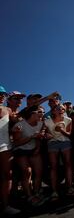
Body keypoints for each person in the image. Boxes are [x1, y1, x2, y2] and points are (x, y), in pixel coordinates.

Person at [11, 105, 45, 206]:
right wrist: (31, 137)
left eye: (43, 112)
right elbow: (16, 143)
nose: (42, 114)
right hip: (20, 150)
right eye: (39, 112)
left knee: (39, 171)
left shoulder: (41, 123)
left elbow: (39, 137)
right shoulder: (19, 125)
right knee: (27, 172)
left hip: (34, 149)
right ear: (32, 114)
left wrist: (38, 148)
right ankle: (29, 197)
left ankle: (37, 193)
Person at [44, 104, 74, 200]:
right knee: (53, 166)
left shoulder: (68, 120)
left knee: (68, 164)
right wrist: (46, 135)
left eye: (63, 109)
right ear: (53, 111)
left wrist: (62, 130)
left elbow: (69, 134)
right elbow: (45, 134)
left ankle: (70, 187)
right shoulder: (47, 121)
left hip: (65, 141)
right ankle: (54, 191)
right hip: (52, 143)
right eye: (58, 108)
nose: (61, 110)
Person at [0, 86, 21, 215]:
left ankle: (5, 206)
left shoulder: (8, 110)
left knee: (7, 176)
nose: (1, 96)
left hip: (5, 146)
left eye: (3, 94)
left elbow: (17, 120)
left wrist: (14, 129)